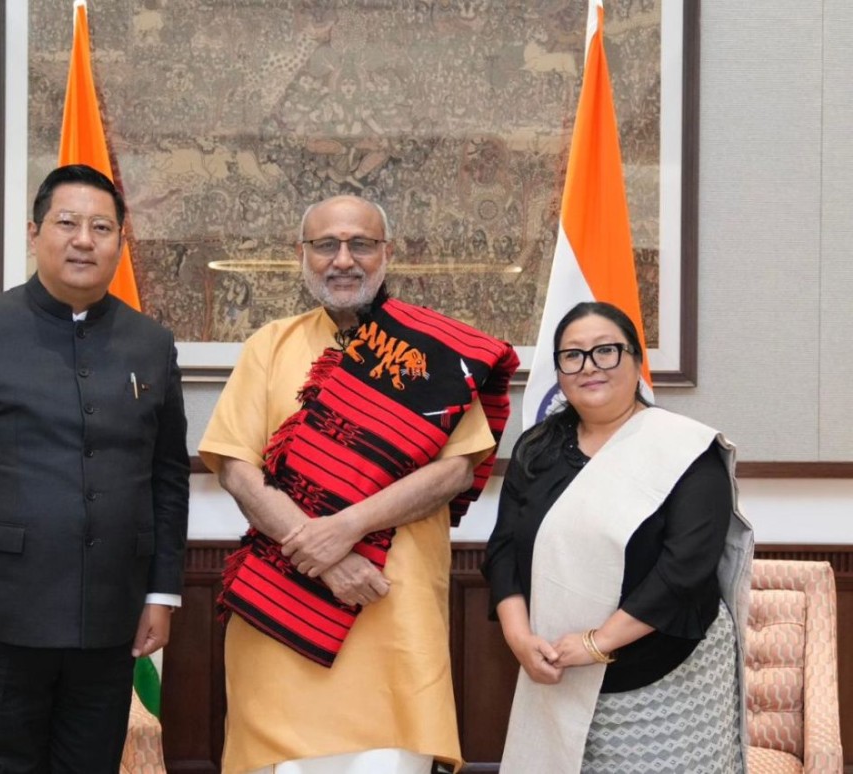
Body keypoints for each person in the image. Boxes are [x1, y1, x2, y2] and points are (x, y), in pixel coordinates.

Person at [199, 195, 519, 774]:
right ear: (303, 256)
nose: (343, 259)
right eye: (326, 245)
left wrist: (344, 529)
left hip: (394, 616)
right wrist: (323, 557)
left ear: (386, 254)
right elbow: (236, 469)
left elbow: (453, 470)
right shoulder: (269, 345)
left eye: (361, 244)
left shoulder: (436, 353)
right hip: (285, 612)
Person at [0, 164, 190, 773]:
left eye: (101, 226)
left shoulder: (150, 343)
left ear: (120, 239)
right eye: (67, 223)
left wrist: (161, 593)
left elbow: (167, 476)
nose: (84, 239)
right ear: (35, 232)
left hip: (112, 619)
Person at [482, 301, 754, 773]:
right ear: (559, 370)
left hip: (668, 677)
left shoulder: (685, 450)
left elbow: (683, 571)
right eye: (573, 355)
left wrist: (596, 642)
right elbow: (503, 548)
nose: (590, 367)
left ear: (634, 361)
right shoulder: (538, 449)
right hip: (556, 671)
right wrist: (518, 636)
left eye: (605, 351)